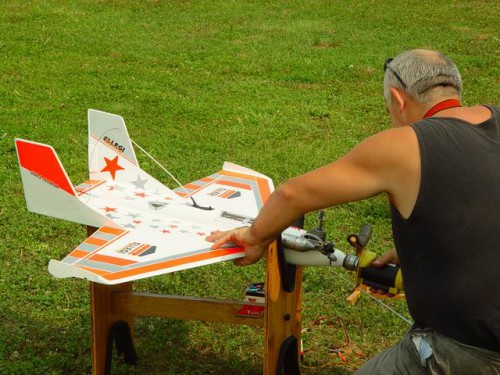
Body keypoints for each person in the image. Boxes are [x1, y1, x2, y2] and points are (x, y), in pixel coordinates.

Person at [207, 49, 500, 374]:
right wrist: (427, 251)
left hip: (473, 350)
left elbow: (292, 195)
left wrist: (254, 237)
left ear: (397, 99)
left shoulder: (408, 144)